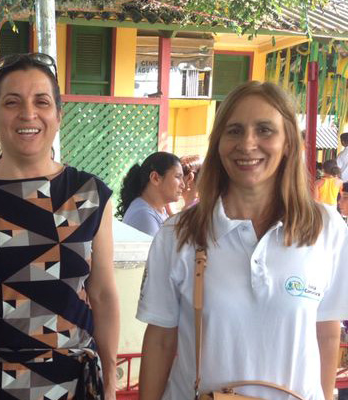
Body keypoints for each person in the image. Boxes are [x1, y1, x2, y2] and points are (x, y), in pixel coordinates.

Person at [136, 81, 348, 400]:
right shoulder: (178, 234)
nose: (247, 144)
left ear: (288, 142)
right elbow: (161, 340)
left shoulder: (326, 228)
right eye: (234, 131)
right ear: (218, 144)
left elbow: (327, 334)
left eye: (264, 130)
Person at [0, 53, 120, 400]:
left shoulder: (89, 196)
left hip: (69, 386)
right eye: (12, 102)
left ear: (58, 115)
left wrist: (110, 386)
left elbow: (104, 295)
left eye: (41, 102)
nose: (28, 114)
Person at [116, 152, 185, 236]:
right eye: (178, 177)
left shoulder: (158, 210)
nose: (183, 185)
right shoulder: (143, 216)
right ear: (155, 178)